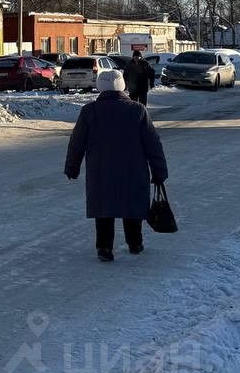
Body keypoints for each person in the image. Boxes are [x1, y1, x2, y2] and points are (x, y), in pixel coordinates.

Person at [64, 68, 168, 262]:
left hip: (100, 171)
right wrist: (159, 171)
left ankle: (104, 247)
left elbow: (77, 143)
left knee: (104, 207)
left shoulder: (89, 111)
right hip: (134, 170)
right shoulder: (137, 110)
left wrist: (72, 166)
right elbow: (153, 144)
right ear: (122, 85)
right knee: (132, 204)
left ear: (99, 86)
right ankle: (135, 242)